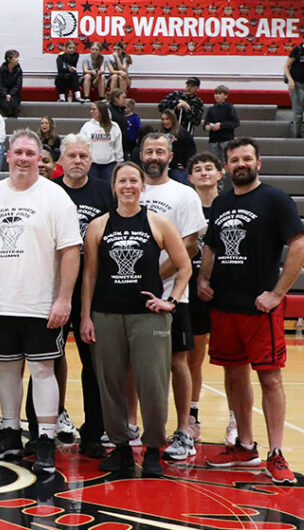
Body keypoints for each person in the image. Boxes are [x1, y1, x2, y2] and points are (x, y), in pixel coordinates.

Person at [0, 129, 82, 475]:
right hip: (1, 302)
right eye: (18, 152)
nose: (23, 158)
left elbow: (70, 251)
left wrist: (63, 298)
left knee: (44, 370)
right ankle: (10, 432)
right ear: (8, 155)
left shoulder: (55, 196)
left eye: (30, 153)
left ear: (40, 159)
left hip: (41, 303)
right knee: (7, 370)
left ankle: (44, 438)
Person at [197, 137, 304, 485]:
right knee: (233, 373)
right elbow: (211, 245)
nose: (240, 164)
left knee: (270, 378)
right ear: (226, 167)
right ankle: (245, 445)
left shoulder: (276, 200)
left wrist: (277, 293)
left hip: (261, 308)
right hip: (225, 306)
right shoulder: (223, 201)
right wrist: (203, 278)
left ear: (258, 163)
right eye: (234, 159)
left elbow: (298, 245)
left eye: (246, 158)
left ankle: (276, 453)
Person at [80, 162, 192, 477]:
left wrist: (170, 301)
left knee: (152, 384)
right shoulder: (98, 225)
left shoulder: (158, 222)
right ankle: (121, 448)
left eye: (133, 180)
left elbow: (184, 266)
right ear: (114, 186)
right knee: (111, 384)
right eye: (122, 181)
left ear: (142, 186)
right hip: (106, 314)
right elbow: (89, 275)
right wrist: (86, 315)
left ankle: (154, 448)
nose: (128, 186)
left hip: (149, 317)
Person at [138, 133, 207, 462]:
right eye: (149, 150)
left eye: (160, 151)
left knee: (178, 362)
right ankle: (132, 426)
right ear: (140, 154)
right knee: (132, 366)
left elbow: (191, 245)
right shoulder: (128, 187)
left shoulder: (184, 194)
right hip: (131, 294)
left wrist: (154, 277)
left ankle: (183, 430)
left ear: (170, 156)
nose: (154, 156)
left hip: (173, 296)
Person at [51, 133, 113, 457]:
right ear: (61, 160)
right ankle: (41, 431)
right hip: (56, 289)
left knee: (94, 364)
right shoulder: (50, 191)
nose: (77, 161)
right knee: (46, 359)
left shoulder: (105, 192)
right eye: (71, 155)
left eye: (83, 156)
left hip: (94, 290)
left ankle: (93, 433)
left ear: (91, 160)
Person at [185, 152, 234, 446]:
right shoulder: (184, 206)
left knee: (233, 359)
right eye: (198, 169)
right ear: (190, 177)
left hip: (227, 288)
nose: (204, 173)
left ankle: (235, 419)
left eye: (209, 168)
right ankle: (192, 417)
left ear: (220, 173)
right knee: (194, 357)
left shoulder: (229, 206)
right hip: (192, 289)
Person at [80, 101, 123, 183]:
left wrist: (119, 161)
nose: (91, 111)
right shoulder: (87, 126)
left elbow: (118, 146)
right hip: (92, 164)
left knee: (108, 187)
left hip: (109, 164)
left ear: (101, 111)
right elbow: (82, 144)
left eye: (94, 109)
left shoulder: (114, 126)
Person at [159, 109, 196, 185]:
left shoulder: (183, 133)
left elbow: (191, 149)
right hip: (164, 168)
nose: (164, 121)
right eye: (163, 119)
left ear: (173, 119)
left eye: (167, 119)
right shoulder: (159, 133)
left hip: (178, 169)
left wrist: (185, 163)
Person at [203, 85, 240, 161]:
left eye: (220, 94)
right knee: (214, 161)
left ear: (225, 96)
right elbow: (206, 123)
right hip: (214, 140)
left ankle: (226, 173)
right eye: (216, 94)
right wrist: (207, 127)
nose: (217, 96)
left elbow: (235, 122)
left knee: (226, 161)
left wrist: (221, 125)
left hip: (226, 139)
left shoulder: (229, 107)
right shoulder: (211, 109)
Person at [0, 49, 22, 118]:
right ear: (9, 59)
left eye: (17, 57)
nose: (17, 59)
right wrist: (5, 94)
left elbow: (18, 85)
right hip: (2, 94)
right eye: (15, 57)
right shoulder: (1, 69)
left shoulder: (19, 70)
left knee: (14, 106)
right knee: (5, 105)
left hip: (13, 94)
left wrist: (10, 94)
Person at [287, 37, 304, 138]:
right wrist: (290, 80)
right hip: (297, 84)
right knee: (298, 111)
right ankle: (296, 135)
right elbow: (286, 66)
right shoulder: (297, 50)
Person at [106, 89, 131, 159]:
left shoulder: (121, 110)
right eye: (123, 98)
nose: (125, 100)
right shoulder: (108, 111)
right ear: (116, 98)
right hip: (113, 146)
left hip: (123, 144)